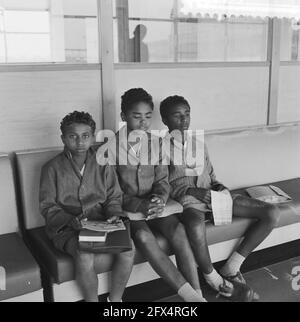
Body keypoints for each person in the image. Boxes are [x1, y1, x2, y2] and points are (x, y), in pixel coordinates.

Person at [160, 95, 281, 301]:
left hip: (213, 197)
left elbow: (212, 175)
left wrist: (220, 188)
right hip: (188, 201)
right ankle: (212, 278)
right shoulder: (159, 149)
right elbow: (163, 184)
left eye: (187, 114)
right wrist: (191, 192)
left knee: (272, 212)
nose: (184, 120)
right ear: (165, 120)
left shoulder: (199, 144)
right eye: (177, 116)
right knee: (195, 227)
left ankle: (232, 267)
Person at [39, 111, 135, 302]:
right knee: (84, 253)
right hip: (67, 228)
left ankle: (115, 300)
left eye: (85, 136)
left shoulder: (103, 162)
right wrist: (70, 221)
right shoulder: (52, 168)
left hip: (101, 222)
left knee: (129, 249)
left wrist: (114, 214)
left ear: (92, 137)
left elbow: (113, 197)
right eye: (72, 136)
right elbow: (48, 206)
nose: (80, 142)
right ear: (63, 138)